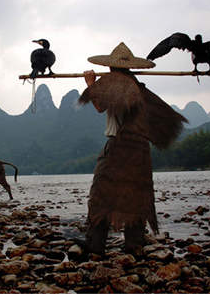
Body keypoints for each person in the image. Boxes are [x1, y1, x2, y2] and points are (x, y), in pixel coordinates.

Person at [79, 42, 187, 256]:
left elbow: (100, 107)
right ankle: (134, 244)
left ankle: (96, 245)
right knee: (137, 196)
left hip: (119, 148)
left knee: (100, 195)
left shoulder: (117, 84)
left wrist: (91, 84)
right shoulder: (136, 86)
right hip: (140, 151)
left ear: (110, 67)